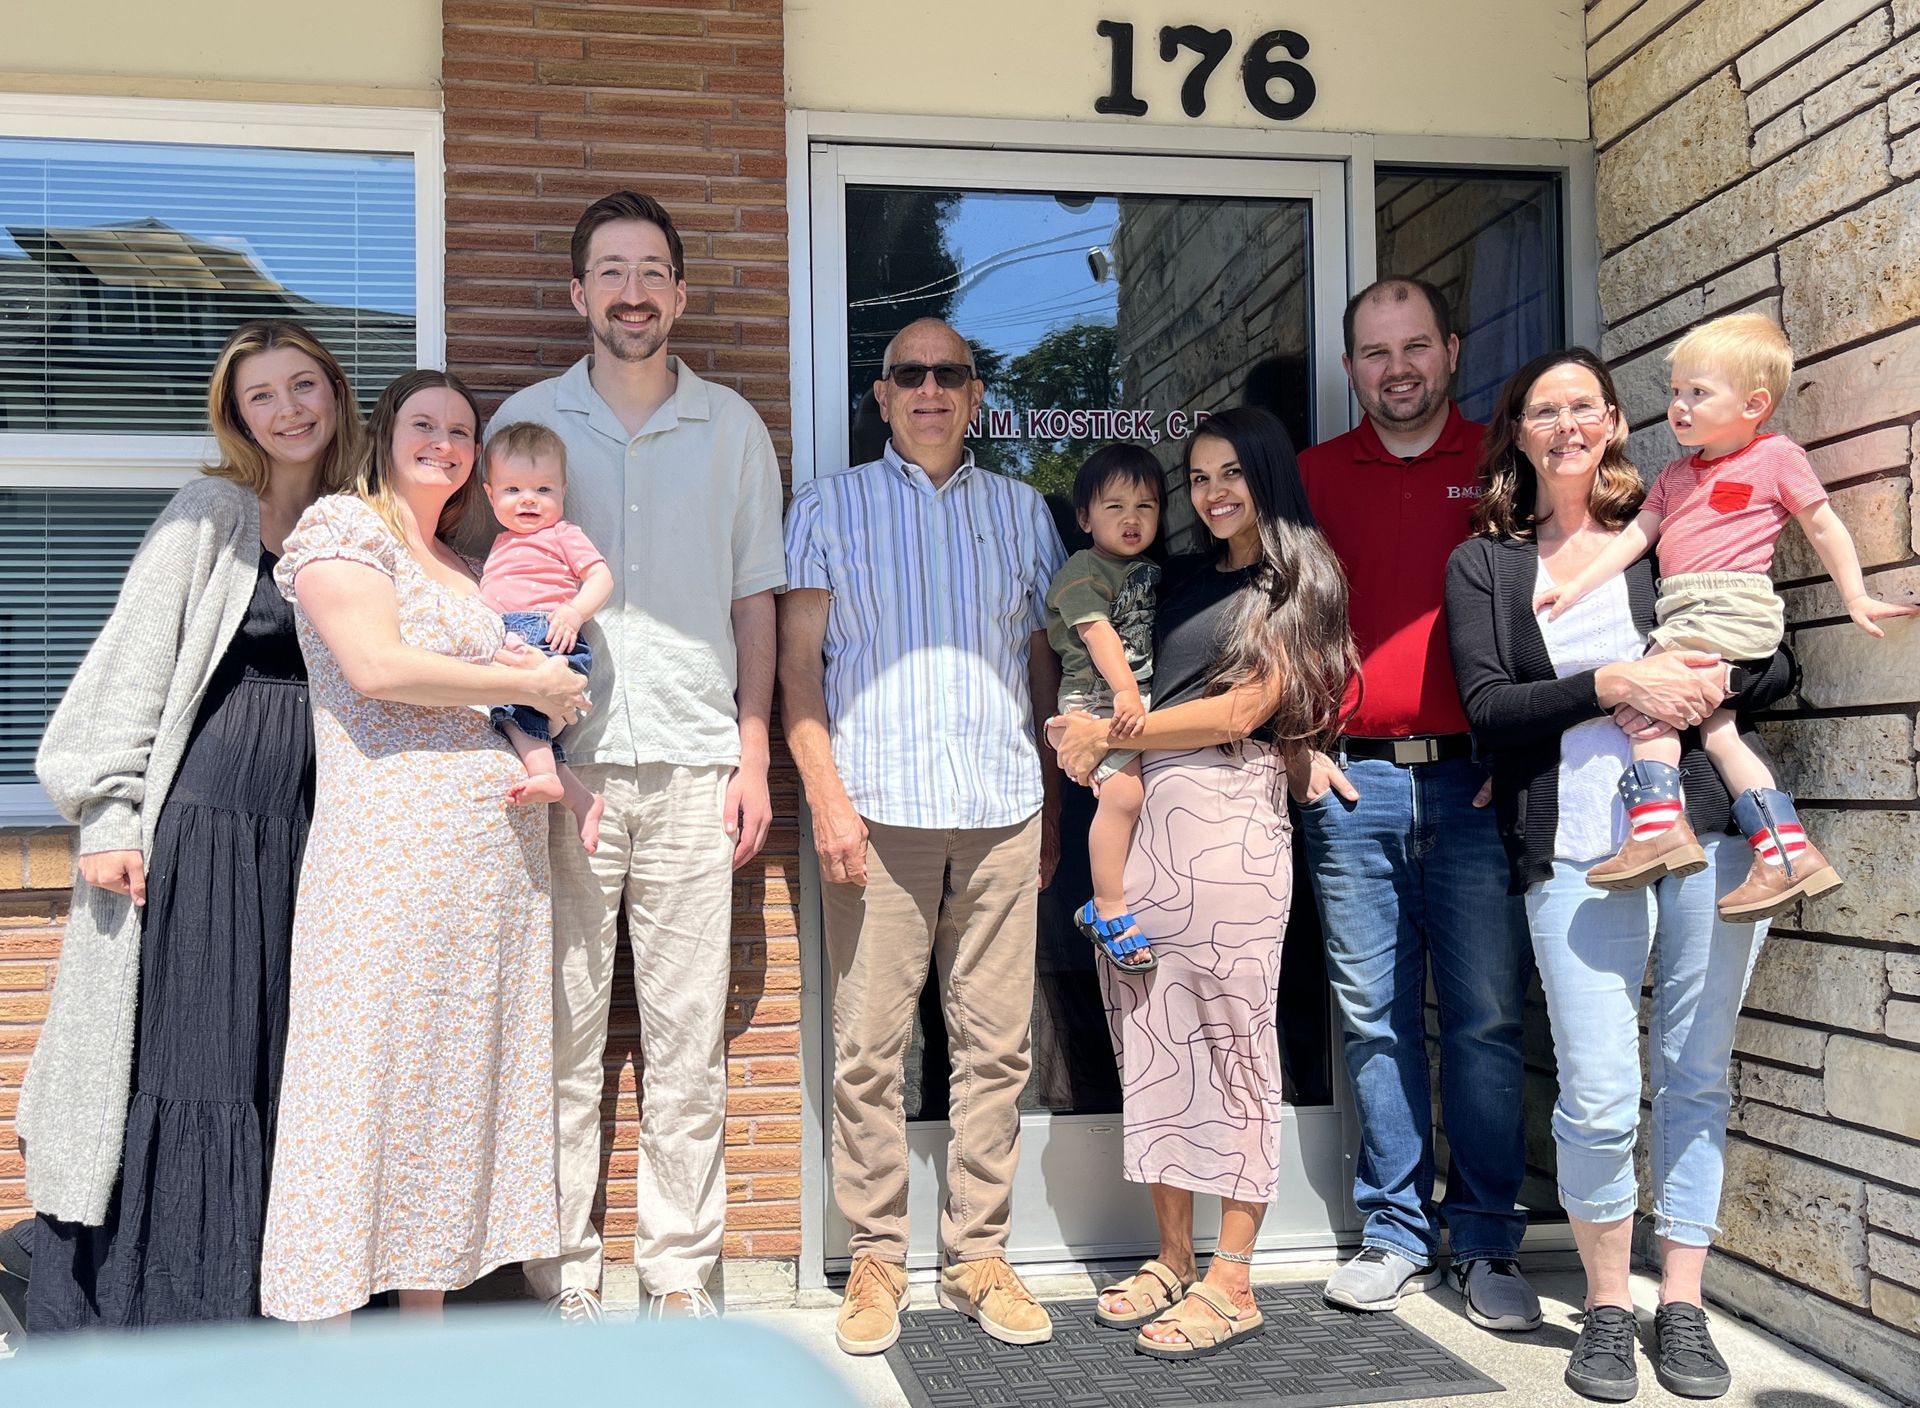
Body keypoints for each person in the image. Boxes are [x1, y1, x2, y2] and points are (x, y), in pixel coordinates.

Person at [1445, 348, 1792, 1402]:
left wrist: (1696, 681)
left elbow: (1773, 656)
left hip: (1701, 837)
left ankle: (1677, 1303)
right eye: (1542, 410)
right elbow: (1489, 708)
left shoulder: (1672, 524)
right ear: (1517, 431)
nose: (1564, 425)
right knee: (1598, 1097)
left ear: (1612, 421)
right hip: (1571, 853)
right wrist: (1610, 680)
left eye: (1582, 407)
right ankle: (1604, 1304)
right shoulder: (1487, 564)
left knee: (1693, 1077)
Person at [20, 320, 361, 1330]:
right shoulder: (213, 512)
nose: (289, 408)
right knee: (201, 1053)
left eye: (304, 385)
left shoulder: (352, 522)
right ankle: (178, 1304)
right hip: (210, 819)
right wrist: (111, 813)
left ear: (336, 394)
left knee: (283, 1053)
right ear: (236, 415)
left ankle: (278, 1290)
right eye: (263, 395)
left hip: (310, 826)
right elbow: (129, 669)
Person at [489, 190, 786, 1323]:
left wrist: (756, 754)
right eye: (610, 271)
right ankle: (561, 1271)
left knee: (684, 1040)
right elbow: (484, 606)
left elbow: (756, 600)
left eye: (652, 269)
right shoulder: (529, 421)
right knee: (560, 1033)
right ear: (578, 293)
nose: (631, 291)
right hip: (562, 777)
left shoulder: (734, 427)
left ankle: (678, 1272)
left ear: (678, 289)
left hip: (698, 767)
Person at [259, 370, 588, 1324]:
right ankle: (323, 1332)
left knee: (449, 1093)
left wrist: (559, 754)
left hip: (486, 865)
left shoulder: (458, 560)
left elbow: (495, 701)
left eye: (459, 431)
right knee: (361, 1079)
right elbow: (375, 668)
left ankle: (423, 1338)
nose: (443, 442)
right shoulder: (346, 528)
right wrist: (537, 687)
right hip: (386, 852)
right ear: (385, 432)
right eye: (424, 425)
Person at [780, 317, 1066, 1357]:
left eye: (950, 374)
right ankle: (878, 1254)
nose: (931, 389)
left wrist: (1052, 797)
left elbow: (1043, 666)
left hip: (1000, 805)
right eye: (911, 374)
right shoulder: (827, 506)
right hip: (878, 808)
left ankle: (980, 1252)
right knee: (869, 1046)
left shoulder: (1023, 512)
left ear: (976, 393)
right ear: (881, 393)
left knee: (997, 1047)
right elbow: (798, 666)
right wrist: (826, 796)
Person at [1055, 406, 1355, 1361]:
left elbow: (1247, 707)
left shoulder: (1297, 582)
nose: (1214, 492)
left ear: (1266, 474)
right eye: (1200, 478)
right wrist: (1075, 727)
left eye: (1232, 472)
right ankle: (1172, 1257)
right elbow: (1086, 642)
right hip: (1148, 821)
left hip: (1233, 822)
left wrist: (1117, 734)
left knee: (1233, 1045)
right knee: (1151, 1039)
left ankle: (1235, 1277)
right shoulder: (1173, 578)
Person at [1290, 278, 1537, 1329]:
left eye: (1415, 347)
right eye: (1375, 352)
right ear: (1351, 367)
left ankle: (1485, 1243)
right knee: (1374, 1016)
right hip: (1351, 782)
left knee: (1484, 1018)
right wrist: (1297, 743)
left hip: (1477, 782)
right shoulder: (1307, 477)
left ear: (1451, 349)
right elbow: (1275, 621)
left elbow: (1546, 606)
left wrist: (1520, 747)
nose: (1397, 369)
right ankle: (1394, 1230)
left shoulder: (1499, 466)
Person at [1532, 314, 1916, 918]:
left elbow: (1822, 524)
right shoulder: (1677, 476)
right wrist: (1575, 584)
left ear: (1754, 403)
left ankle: (1659, 829)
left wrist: (1855, 597)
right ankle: (1787, 853)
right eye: (1676, 393)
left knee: (1648, 707)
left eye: (1698, 394)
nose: (1678, 408)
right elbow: (1637, 536)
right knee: (1718, 731)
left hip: (1728, 603)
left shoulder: (1774, 457)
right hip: (1686, 606)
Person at [1044, 444, 1163, 972]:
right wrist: (1124, 693)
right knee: (1124, 793)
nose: (1132, 518)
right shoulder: (1083, 568)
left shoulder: (1149, 570)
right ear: (1084, 518)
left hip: (1132, 700)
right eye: (1114, 507)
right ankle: (1106, 906)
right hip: (1096, 699)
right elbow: (1098, 633)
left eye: (1146, 506)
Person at [477, 420, 611, 849]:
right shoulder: (499, 543)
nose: (528, 500)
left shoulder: (563, 534)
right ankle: (582, 800)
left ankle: (543, 777)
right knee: (519, 719)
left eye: (543, 490)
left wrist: (574, 611)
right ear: (490, 494)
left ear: (563, 492)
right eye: (513, 490)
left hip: (549, 634)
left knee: (513, 708)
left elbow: (600, 577)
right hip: (513, 637)